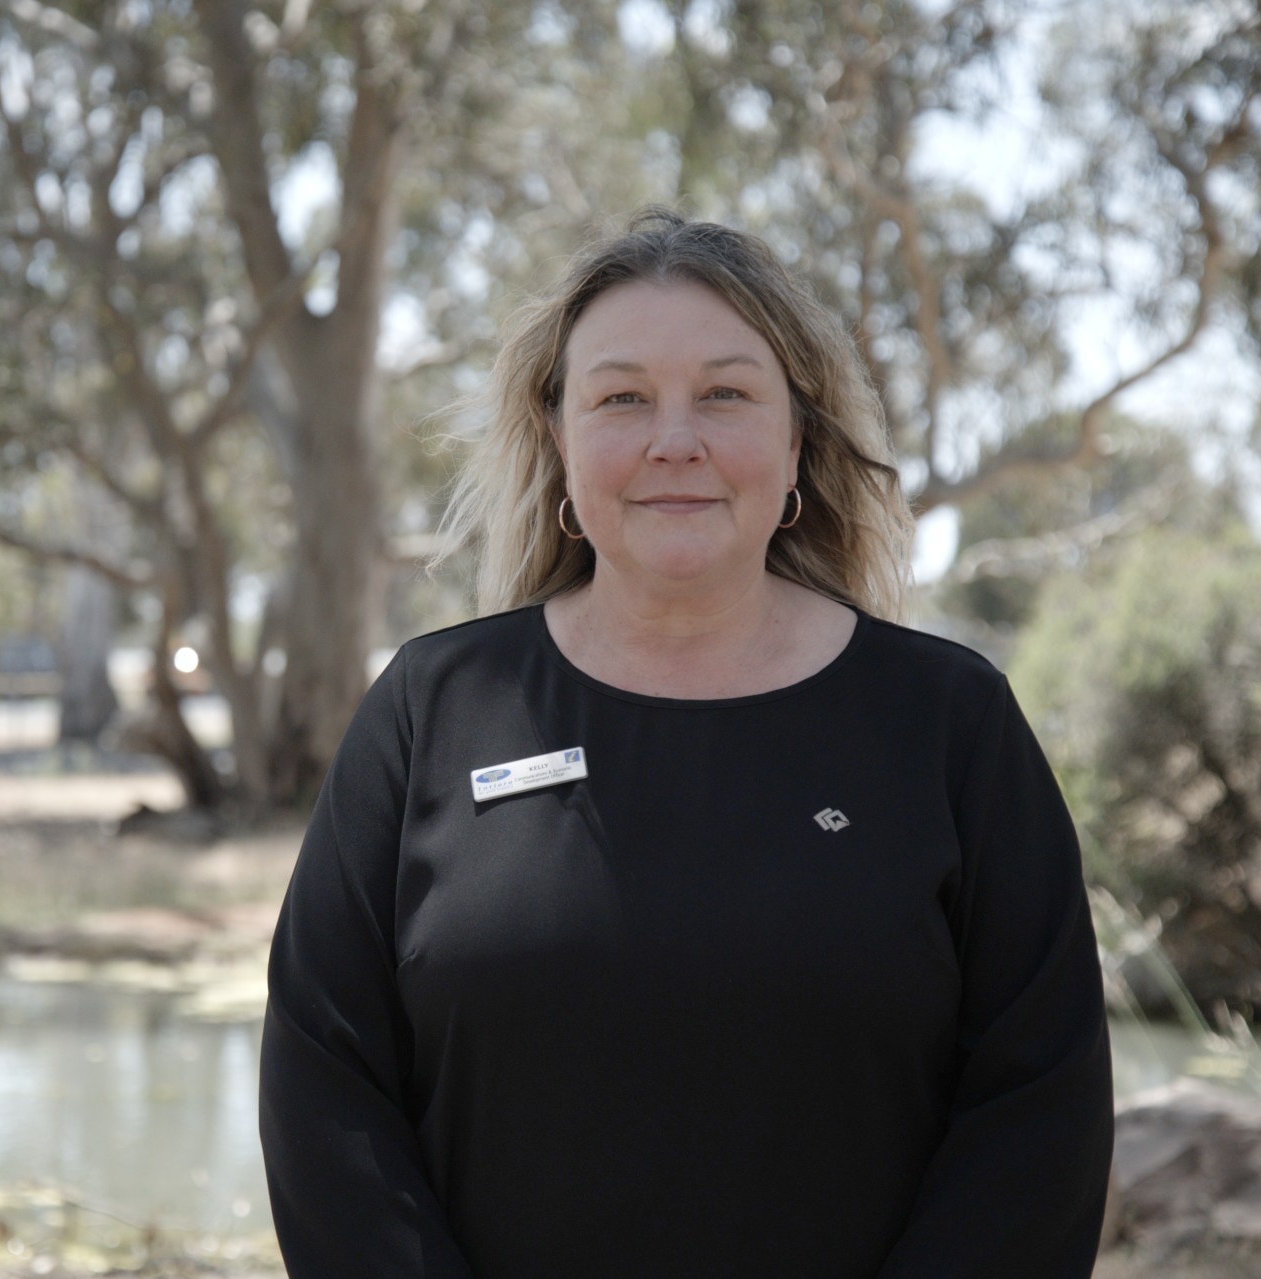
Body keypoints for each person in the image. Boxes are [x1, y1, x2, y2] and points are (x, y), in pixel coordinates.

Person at [258, 207, 1114, 1278]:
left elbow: (1042, 1116)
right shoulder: (433, 707)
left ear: (796, 438)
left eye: (725, 394)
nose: (676, 440)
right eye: (622, 397)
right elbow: (324, 1086)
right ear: (560, 438)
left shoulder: (951, 724)